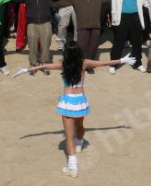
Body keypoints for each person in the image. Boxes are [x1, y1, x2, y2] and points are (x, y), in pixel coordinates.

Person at [15, 45, 136, 178]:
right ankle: (80, 141)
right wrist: (122, 60)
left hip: (67, 102)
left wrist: (27, 69)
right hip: (80, 101)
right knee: (79, 126)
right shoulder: (85, 63)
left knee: (69, 136)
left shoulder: (63, 64)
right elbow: (103, 63)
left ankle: (72, 166)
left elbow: (44, 66)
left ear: (66, 53)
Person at [53, 0, 111, 64]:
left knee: (93, 48)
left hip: (96, 26)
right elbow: (59, 3)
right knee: (81, 47)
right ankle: (80, 64)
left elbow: (115, 0)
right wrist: (47, 4)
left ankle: (89, 65)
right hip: (82, 26)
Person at [21, 0, 67, 73]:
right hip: (32, 22)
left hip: (46, 22)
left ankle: (44, 63)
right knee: (32, 43)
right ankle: (33, 64)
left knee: (46, 43)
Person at [104, 0, 146, 74]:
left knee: (136, 41)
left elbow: (146, 2)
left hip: (135, 17)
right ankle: (113, 63)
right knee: (119, 41)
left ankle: (137, 63)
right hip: (121, 17)